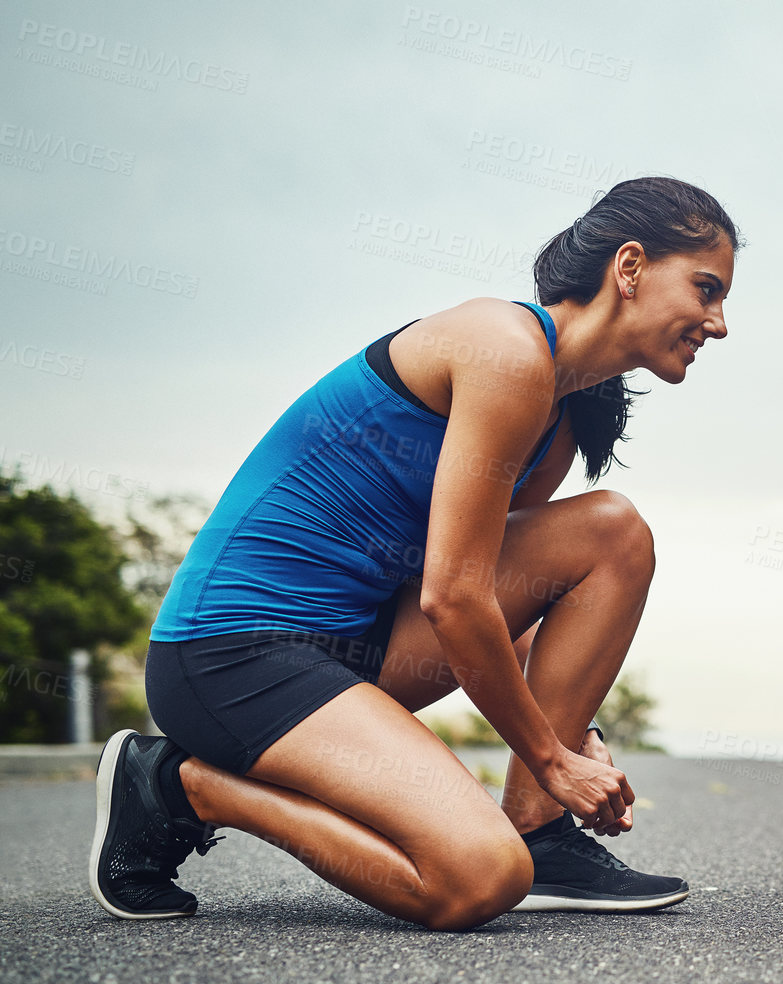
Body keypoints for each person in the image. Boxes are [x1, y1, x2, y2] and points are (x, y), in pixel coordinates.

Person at [89, 177, 737, 930]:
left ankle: (540, 831)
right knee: (476, 879)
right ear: (628, 267)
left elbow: (507, 593)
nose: (718, 323)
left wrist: (571, 732)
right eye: (705, 289)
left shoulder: (559, 421)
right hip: (231, 656)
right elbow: (454, 598)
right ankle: (178, 784)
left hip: (356, 643)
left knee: (612, 531)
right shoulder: (502, 350)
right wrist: (554, 758)